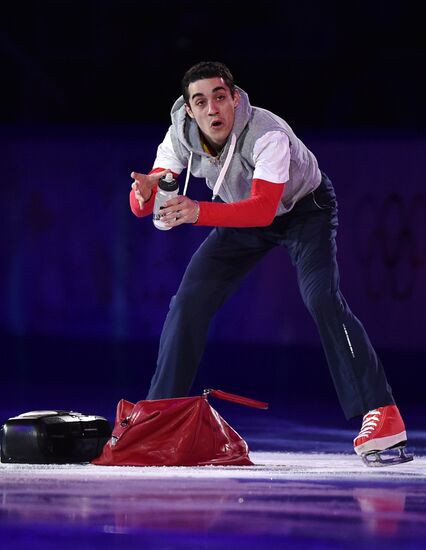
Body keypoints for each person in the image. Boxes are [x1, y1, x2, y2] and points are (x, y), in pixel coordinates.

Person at [129, 61, 411, 466]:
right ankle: (158, 417)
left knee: (321, 297)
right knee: (189, 301)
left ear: (235, 98)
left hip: (303, 211)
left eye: (220, 98)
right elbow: (152, 192)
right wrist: (142, 195)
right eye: (201, 101)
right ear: (189, 109)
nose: (213, 110)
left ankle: (382, 413)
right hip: (237, 214)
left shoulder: (267, 133)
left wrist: (197, 212)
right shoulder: (181, 134)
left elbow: (263, 209)